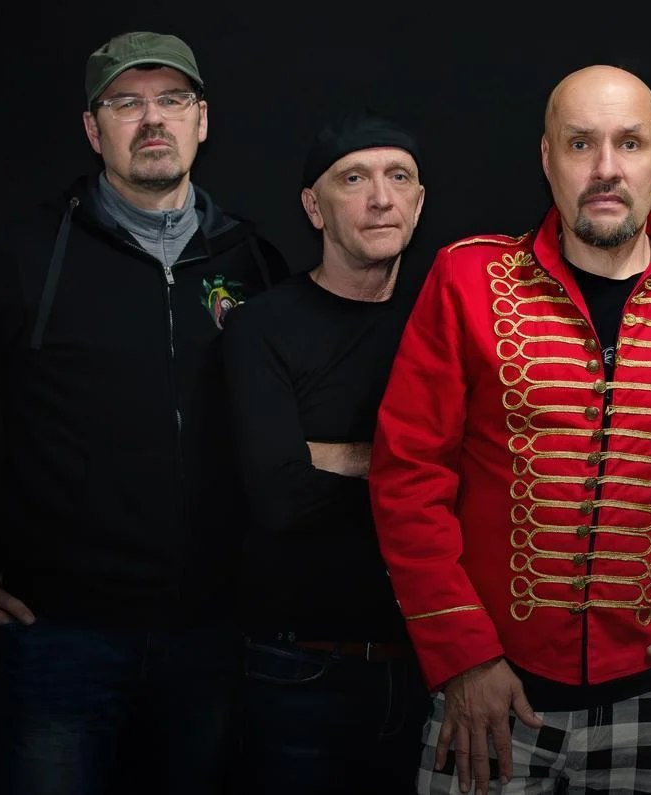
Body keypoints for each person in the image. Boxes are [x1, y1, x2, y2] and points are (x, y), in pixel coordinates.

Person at [368, 64, 651, 795]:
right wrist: (463, 655)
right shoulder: (466, 280)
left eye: (628, 143)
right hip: (489, 690)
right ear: (547, 160)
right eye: (580, 144)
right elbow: (408, 478)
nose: (606, 168)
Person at [0, 30, 286, 795]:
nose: (152, 119)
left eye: (172, 100)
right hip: (56, 636)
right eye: (126, 103)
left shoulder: (252, 262)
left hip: (211, 634)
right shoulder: (20, 258)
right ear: (94, 129)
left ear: (203, 120)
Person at [222, 109, 431, 794]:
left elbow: (487, 477)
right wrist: (420, 471)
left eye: (398, 177)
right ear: (314, 207)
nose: (381, 198)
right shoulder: (262, 326)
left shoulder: (443, 319)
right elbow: (278, 495)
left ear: (419, 201)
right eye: (354, 179)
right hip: (298, 671)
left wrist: (327, 455)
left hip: (429, 671)